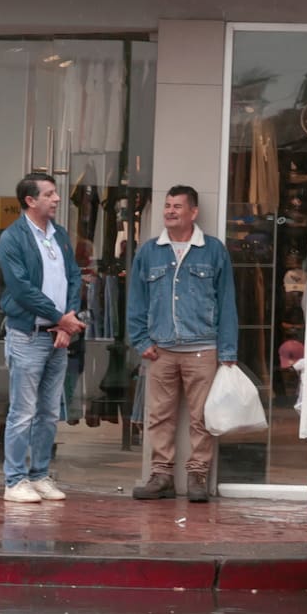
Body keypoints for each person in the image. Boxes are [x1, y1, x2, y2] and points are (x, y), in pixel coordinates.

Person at [128, 185, 238, 504]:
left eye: (177, 206)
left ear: (194, 212)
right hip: (160, 349)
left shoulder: (213, 250)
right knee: (159, 415)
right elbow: (136, 301)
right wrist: (140, 340)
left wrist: (227, 351)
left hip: (202, 348)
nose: (170, 211)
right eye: (167, 205)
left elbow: (227, 302)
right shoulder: (149, 252)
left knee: (202, 417)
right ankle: (161, 475)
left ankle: (197, 476)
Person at [0, 174, 83, 503]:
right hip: (28, 335)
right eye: (49, 194)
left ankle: (39, 474)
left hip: (57, 336)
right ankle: (15, 480)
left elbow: (73, 276)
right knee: (23, 412)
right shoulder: (13, 238)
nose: (57, 199)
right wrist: (60, 318)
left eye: (55, 193)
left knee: (48, 412)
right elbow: (21, 288)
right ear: (30, 201)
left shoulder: (59, 234)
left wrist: (65, 322)